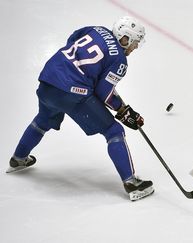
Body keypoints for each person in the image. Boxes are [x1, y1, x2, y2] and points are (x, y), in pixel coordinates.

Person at [7, 16, 154, 201]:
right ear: (125, 38)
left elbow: (72, 38)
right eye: (134, 42)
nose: (135, 47)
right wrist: (122, 111)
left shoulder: (96, 29)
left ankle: (18, 158)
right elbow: (104, 92)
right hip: (73, 92)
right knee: (113, 130)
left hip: (49, 79)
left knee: (43, 120)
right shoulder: (120, 59)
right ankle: (132, 183)